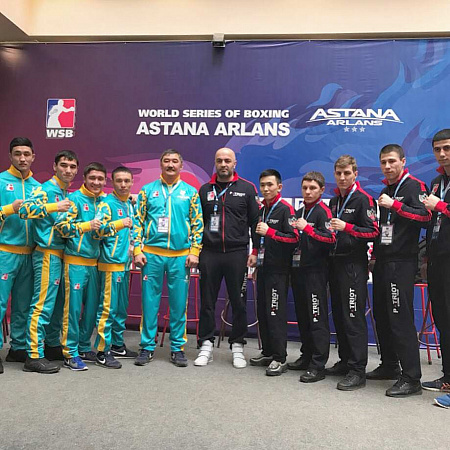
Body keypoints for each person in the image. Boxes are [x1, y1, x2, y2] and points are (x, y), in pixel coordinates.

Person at [368, 144, 430, 397]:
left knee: (399, 317)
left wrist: (396, 206)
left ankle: (412, 377)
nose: (387, 166)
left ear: (403, 161)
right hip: (383, 261)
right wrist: (374, 256)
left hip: (402, 262)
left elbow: (425, 217)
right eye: (383, 162)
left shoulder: (415, 186)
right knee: (382, 315)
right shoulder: (386, 190)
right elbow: (383, 228)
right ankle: (390, 365)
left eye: (392, 161)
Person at [134, 150, 203, 367]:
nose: (170, 165)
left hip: (180, 256)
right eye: (166, 161)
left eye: (174, 161)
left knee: (179, 304)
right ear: (160, 164)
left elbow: (197, 224)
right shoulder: (147, 190)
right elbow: (137, 222)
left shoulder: (190, 192)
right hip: (151, 254)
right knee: (149, 303)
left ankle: (177, 348)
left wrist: (194, 251)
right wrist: (137, 250)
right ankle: (147, 346)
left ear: (181, 166)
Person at [194, 148, 259, 369]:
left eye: (227, 160)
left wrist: (255, 252)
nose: (223, 164)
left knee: (239, 302)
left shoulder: (247, 189)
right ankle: (206, 345)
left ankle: (238, 345)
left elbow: (255, 223)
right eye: (220, 160)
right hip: (209, 253)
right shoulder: (205, 190)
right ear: (215, 162)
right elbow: (197, 223)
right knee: (207, 301)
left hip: (236, 253)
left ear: (234, 163)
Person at [19, 150, 79, 374]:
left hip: (63, 254)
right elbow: (23, 210)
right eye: (64, 165)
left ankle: (52, 345)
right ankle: (33, 355)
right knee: (42, 304)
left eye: (72, 167)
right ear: (55, 166)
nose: (68, 170)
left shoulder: (66, 192)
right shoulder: (45, 189)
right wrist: (54, 207)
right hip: (46, 253)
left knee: (58, 306)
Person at [327, 155, 379, 390]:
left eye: (347, 173)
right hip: (335, 264)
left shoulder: (363, 199)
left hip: (353, 266)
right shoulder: (334, 201)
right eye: (339, 173)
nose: (342, 177)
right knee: (339, 315)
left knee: (352, 316)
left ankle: (358, 370)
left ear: (355, 174)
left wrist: (347, 227)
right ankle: (345, 361)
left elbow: (373, 232)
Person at [55, 162, 106, 371]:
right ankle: (70, 352)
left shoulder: (104, 202)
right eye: (92, 178)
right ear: (84, 178)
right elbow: (60, 227)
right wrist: (86, 226)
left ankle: (84, 347)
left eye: (100, 179)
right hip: (75, 262)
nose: (96, 182)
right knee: (73, 310)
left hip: (94, 264)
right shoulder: (74, 199)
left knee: (92, 309)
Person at [250, 169, 298, 376]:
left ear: (279, 187)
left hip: (279, 270)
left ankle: (280, 357)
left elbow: (294, 238)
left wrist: (271, 232)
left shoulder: (286, 209)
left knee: (275, 312)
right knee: (263, 311)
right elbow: (257, 237)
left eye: (270, 185)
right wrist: (254, 254)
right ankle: (268, 351)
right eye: (262, 185)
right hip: (263, 267)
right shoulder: (262, 210)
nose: (266, 189)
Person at [289, 171, 335, 382]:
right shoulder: (299, 212)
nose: (308, 192)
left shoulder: (323, 212)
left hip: (316, 271)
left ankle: (318, 364)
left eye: (312, 188)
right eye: (305, 188)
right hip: (298, 269)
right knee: (303, 315)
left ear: (321, 190)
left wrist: (308, 229)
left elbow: (330, 239)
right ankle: (306, 355)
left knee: (317, 316)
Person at [0, 137, 40, 375]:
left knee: (23, 306)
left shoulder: (38, 187)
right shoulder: (0, 181)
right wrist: (8, 209)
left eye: (26, 154)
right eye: (17, 154)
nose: (22, 158)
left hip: (29, 254)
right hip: (5, 252)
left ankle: (18, 347)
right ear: (10, 156)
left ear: (33, 156)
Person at [92, 166, 137, 369]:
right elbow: (96, 231)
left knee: (120, 308)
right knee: (107, 309)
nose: (123, 185)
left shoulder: (129, 204)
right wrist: (119, 223)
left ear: (132, 182)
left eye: (127, 181)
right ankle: (102, 351)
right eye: (119, 181)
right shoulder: (107, 204)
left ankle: (118, 345)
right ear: (112, 182)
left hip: (125, 264)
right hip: (110, 263)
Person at [422, 129, 450, 395]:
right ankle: (448, 376)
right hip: (437, 259)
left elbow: (441, 210)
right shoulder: (436, 182)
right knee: (442, 319)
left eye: (447, 148)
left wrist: (440, 206)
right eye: (438, 149)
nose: (442, 154)